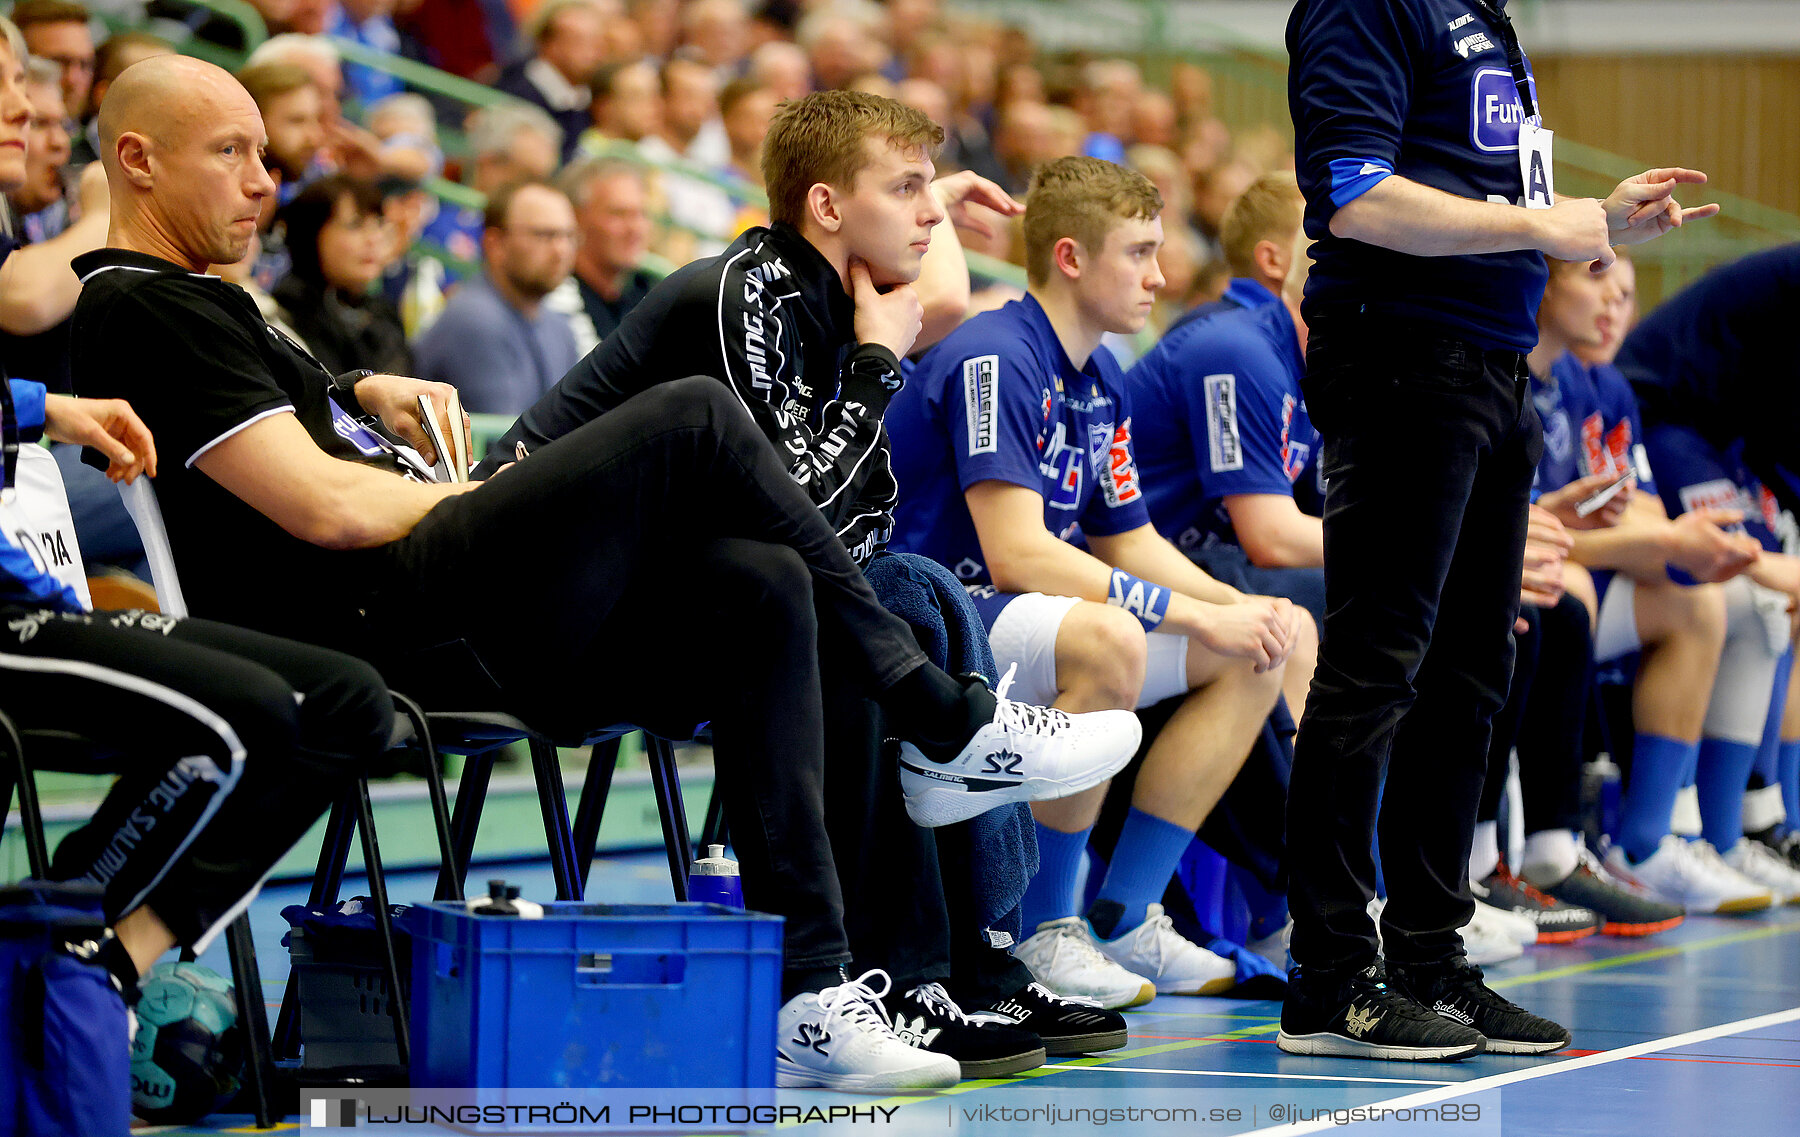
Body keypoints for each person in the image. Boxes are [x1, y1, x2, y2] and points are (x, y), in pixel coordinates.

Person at [71, 54, 1137, 1091]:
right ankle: (943, 719)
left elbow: (303, 441)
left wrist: (356, 387)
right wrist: (484, 497)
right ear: (139, 161)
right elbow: (326, 506)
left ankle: (813, 991)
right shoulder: (143, 304)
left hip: (470, 614)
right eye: (231, 153)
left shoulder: (215, 301)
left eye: (266, 152)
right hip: (371, 619)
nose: (267, 179)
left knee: (769, 580)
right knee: (697, 419)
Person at [477, 92, 1146, 1073]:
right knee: (885, 600)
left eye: (931, 192)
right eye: (907, 189)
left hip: (725, 601)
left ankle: (966, 967)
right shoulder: (743, 294)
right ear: (828, 207)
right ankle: (901, 970)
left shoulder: (841, 297)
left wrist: (931, 209)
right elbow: (794, 510)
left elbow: (935, 310)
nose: (930, 216)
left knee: (909, 585)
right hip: (571, 615)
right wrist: (877, 365)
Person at [1282, 0, 1717, 1060]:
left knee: (1473, 674)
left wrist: (1588, 221)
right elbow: (1355, 196)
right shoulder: (1370, 2)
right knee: (1375, 670)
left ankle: (1431, 957)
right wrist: (1538, 225)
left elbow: (1485, 189)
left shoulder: (1484, 14)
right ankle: (1331, 978)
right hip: (1397, 360)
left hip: (1488, 366)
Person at [0, 17, 386, 1078]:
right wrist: (44, 404)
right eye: (10, 97)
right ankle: (60, 945)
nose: (32, 115)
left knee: (340, 698)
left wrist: (353, 392)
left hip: (33, 572)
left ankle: (101, 956)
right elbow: (34, 303)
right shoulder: (111, 269)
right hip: (14, 600)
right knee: (251, 714)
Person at [888, 156, 1312, 1003]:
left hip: (1018, 614)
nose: (1161, 274)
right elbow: (1019, 553)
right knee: (1113, 638)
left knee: (1263, 642)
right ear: (1073, 257)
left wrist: (1234, 610)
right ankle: (1046, 928)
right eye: (1139, 252)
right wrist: (1190, 613)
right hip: (937, 618)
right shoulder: (996, 352)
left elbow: (1131, 538)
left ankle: (1127, 913)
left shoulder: (1103, 374)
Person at [1616, 245, 1800, 868]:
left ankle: (1751, 824)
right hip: (1668, 413)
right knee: (1757, 593)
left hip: (1724, 432)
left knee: (1780, 602)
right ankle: (1716, 827)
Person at [412, 179, 582, 414]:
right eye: (545, 235)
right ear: (495, 244)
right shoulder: (474, 320)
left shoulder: (559, 328)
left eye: (569, 236)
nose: (561, 251)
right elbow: (506, 444)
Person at [271, 173, 411, 376]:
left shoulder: (382, 313)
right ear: (312, 233)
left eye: (378, 224)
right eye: (355, 225)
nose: (374, 239)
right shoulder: (286, 311)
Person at [556, 156, 657, 350]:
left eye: (642, 214)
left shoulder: (648, 294)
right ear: (576, 218)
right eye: (618, 214)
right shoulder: (553, 295)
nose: (635, 229)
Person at [494, 0, 605, 164]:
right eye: (579, 41)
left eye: (597, 41)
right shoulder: (518, 94)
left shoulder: (590, 98)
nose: (594, 52)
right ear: (550, 44)